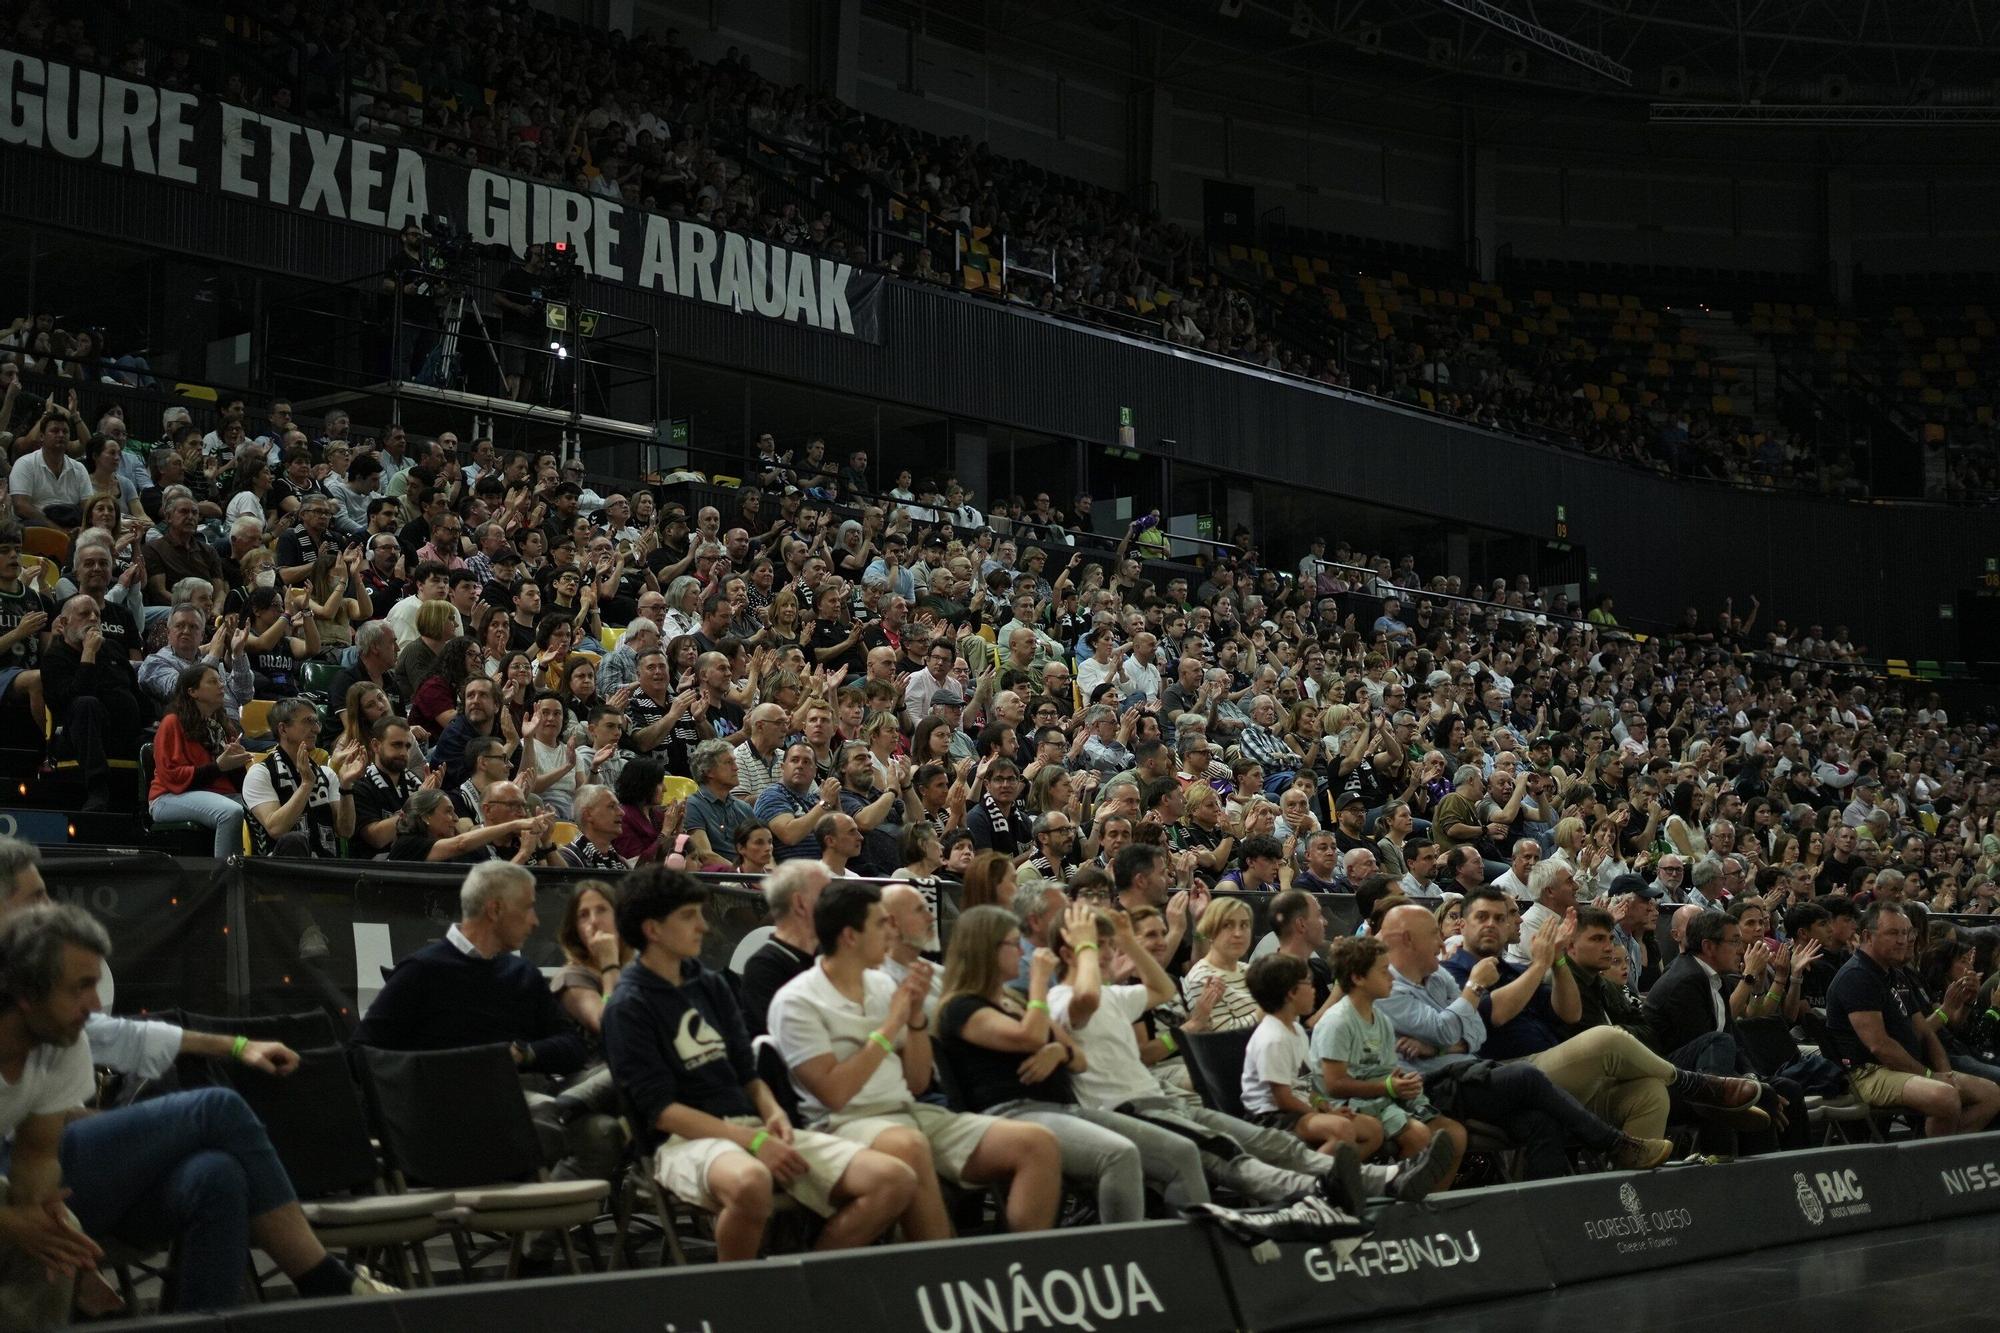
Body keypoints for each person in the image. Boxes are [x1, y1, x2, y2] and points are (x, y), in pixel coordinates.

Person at [0, 904, 395, 1318]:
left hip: (45, 1182)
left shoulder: (61, 1040)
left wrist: (40, 1212)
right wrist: (17, 1224)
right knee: (216, 1107)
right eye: (80, 987)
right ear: (27, 993)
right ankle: (324, 1280)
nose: (95, 1004)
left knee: (216, 1176)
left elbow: (37, 1157)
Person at [601, 866, 919, 1261]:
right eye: (689, 916)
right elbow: (662, 1112)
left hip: (750, 1127)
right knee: (750, 1182)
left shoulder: (709, 983)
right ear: (652, 929)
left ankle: (803, 1283)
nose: (703, 926)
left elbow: (747, 1073)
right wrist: (752, 1141)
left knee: (894, 1179)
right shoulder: (628, 1005)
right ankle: (743, 1295)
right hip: (682, 1142)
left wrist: (772, 1113)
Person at [1049, 907, 1430, 1210]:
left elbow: (1162, 988)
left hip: (1160, 1098)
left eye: (1106, 945)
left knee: (1264, 1141)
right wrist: (1085, 946)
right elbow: (1086, 999)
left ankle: (1385, 1178)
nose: (1107, 953)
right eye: (1098, 946)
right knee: (1225, 1152)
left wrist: (1128, 942)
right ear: (1071, 952)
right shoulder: (1061, 999)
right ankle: (1318, 1192)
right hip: (1125, 1109)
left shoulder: (1113, 996)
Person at [766, 881, 1066, 1237]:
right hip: (844, 1122)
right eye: (881, 923)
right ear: (850, 936)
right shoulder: (797, 1001)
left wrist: (916, 1020)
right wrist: (893, 1024)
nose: (890, 932)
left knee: (1037, 1143)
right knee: (909, 1145)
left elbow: (918, 1081)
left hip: (910, 1111)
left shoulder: (882, 986)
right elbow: (834, 1094)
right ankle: (943, 1266)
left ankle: (1017, 1265)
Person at [353, 862, 621, 1184]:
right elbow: (362, 1051)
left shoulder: (521, 973)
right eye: (528, 908)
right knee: (581, 1119)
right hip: (453, 1110)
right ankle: (559, 1112)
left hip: (519, 1097)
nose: (535, 921)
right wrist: (440, 1074)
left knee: (617, 1083)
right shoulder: (421, 971)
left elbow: (572, 1047)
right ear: (495, 910)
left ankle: (560, 1113)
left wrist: (524, 1053)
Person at [935, 902, 1204, 1223]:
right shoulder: (961, 1007)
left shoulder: (1015, 1001)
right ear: (986, 950)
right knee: (1119, 1154)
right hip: (1015, 1113)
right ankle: (1124, 1247)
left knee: (1182, 1151)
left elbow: (1077, 1059)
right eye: (1013, 944)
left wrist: (1058, 1052)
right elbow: (1030, 1037)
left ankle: (1191, 1243)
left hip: (1063, 1108)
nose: (1021, 951)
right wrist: (1038, 983)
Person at [1372, 903, 1672, 1178]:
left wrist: (1558, 961)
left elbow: (1480, 1031)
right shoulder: (1405, 982)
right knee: (1595, 1045)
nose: (1440, 943)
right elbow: (1460, 1027)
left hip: (1486, 1074)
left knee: (1548, 1118)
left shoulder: (1443, 978)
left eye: (1501, 918)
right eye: (1482, 917)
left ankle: (1590, 1207)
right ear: (1462, 925)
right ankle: (1629, 1130)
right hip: (1449, 1082)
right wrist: (1479, 985)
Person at [1822, 903, 2000, 1137]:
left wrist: (1945, 1072)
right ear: (1867, 936)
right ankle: (1934, 1154)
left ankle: (1941, 1149)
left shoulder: (1896, 974)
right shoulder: (1857, 976)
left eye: (1906, 933)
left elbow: (1925, 1031)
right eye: (1893, 933)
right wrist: (1930, 1076)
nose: (1903, 940)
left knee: (1991, 1094)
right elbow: (1880, 1046)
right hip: (1869, 1073)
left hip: (1905, 1067)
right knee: (1945, 1096)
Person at [1316, 935, 1464, 1187]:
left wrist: (1404, 1082)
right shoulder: (1337, 1022)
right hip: (1344, 1105)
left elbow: (1384, 1069)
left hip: (1380, 1100)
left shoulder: (1381, 1020)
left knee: (1456, 1135)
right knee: (1419, 1136)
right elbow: (1334, 1085)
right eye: (1384, 971)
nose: (1393, 978)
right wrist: (1388, 1087)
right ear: (1358, 978)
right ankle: (1396, 1200)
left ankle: (1432, 1204)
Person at [1240, 954, 1385, 1157]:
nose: (1314, 989)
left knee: (1373, 1130)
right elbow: (1283, 1099)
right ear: (1292, 993)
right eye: (1309, 983)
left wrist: (1326, 1108)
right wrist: (1320, 1114)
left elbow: (1304, 1085)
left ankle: (1341, 1173)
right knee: (1342, 1129)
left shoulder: (1297, 1030)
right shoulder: (1273, 1039)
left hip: (1298, 1108)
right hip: (1272, 1117)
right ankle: (1314, 1173)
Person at [42, 595, 143, 810]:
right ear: (64, 622)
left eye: (97, 614)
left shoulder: (113, 648)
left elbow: (135, 692)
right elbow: (70, 700)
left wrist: (154, 721)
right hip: (79, 738)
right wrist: (88, 653)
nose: (93, 618)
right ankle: (97, 788)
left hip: (124, 733)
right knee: (86, 704)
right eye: (84, 614)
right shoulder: (55, 657)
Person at [149, 663, 252, 858]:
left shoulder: (223, 726)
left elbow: (233, 781)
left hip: (215, 793)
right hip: (168, 797)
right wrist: (219, 767)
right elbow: (171, 776)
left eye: (220, 681)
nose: (221, 685)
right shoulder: (172, 722)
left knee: (263, 808)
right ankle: (227, 874)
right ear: (193, 692)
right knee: (230, 812)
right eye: (213, 681)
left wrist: (237, 764)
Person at [242, 698, 362, 858]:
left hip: (324, 866)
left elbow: (345, 831)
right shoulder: (260, 773)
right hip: (279, 867)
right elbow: (276, 829)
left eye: (316, 722)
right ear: (283, 729)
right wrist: (306, 785)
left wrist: (346, 786)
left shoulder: (326, 773)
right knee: (294, 840)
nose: (316, 729)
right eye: (308, 721)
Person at [739, 861, 830, 1037]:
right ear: (800, 904)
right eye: (825, 894)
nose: (835, 902)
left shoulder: (829, 954)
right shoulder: (764, 968)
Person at [1181, 897, 1263, 1031]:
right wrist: (1270, 1010)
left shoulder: (1251, 971)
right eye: (1227, 925)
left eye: (1244, 925)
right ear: (1210, 931)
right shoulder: (1202, 978)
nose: (1238, 934)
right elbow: (1223, 1035)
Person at [560, 784, 632, 871]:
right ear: (588, 815)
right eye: (611, 806)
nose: (621, 812)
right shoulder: (569, 858)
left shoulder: (621, 862)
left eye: (619, 806)